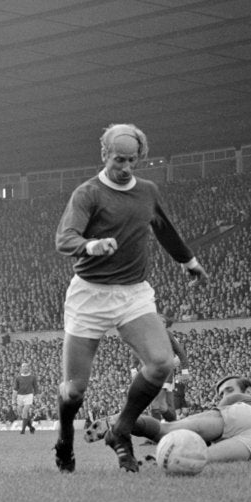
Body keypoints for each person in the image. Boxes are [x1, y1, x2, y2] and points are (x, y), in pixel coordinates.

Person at [53, 123, 208, 473]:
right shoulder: (88, 193)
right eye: (118, 160)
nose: (125, 167)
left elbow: (164, 229)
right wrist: (91, 245)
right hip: (89, 295)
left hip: (133, 293)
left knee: (162, 363)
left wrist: (189, 262)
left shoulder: (147, 191)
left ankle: (121, 429)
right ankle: (64, 437)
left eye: (132, 161)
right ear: (104, 154)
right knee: (74, 391)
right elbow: (65, 238)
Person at [83, 375, 251, 462]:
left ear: (248, 390)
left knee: (169, 430)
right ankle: (157, 460)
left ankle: (116, 420)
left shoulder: (242, 402)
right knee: (200, 456)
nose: (224, 397)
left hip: (246, 420)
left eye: (229, 390)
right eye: (221, 394)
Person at [13, 361, 39, 435]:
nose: (25, 368)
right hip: (20, 396)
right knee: (20, 413)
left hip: (29, 395)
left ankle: (23, 430)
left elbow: (36, 387)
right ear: (21, 368)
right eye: (23, 367)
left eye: (26, 366)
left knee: (25, 411)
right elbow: (15, 390)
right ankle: (31, 427)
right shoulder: (18, 378)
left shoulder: (32, 377)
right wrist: (13, 402)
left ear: (28, 368)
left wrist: (37, 397)